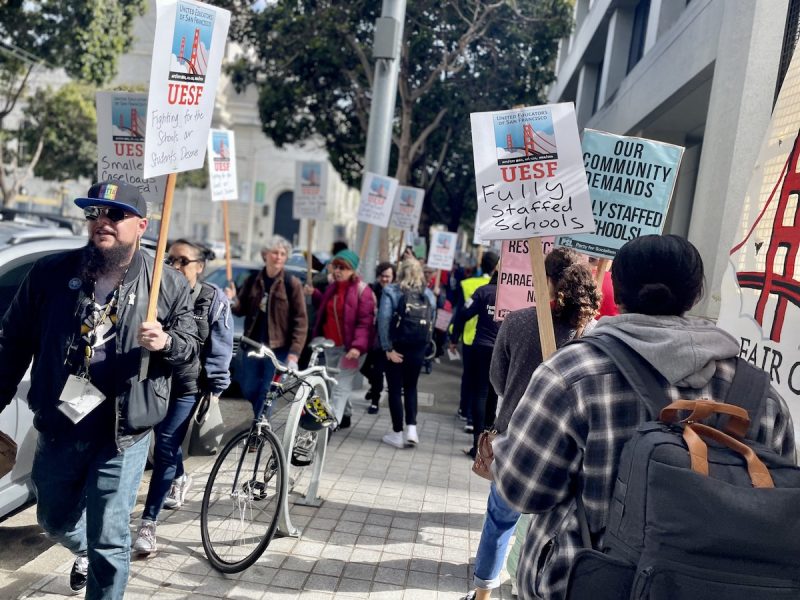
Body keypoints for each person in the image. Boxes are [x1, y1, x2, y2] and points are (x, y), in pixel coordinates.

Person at [492, 235, 796, 600]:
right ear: (697, 294)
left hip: (586, 584)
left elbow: (522, 492)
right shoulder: (763, 398)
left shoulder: (573, 374)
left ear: (616, 293)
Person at [0, 181, 199, 598]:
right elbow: (13, 342)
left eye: (115, 214)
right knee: (52, 518)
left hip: (122, 432)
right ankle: (88, 548)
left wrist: (166, 343)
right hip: (61, 422)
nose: (102, 222)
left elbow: (191, 353)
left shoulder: (169, 285)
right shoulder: (51, 274)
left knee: (111, 537)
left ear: (142, 225)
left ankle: (104, 555)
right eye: (95, 214)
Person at [461, 249, 600, 600]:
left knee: (499, 520)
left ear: (546, 281)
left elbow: (498, 378)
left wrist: (517, 399)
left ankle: (483, 593)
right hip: (567, 441)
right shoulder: (590, 330)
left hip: (515, 433)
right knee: (551, 525)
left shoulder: (518, 321)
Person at [133, 239, 233, 555]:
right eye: (170, 260)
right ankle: (179, 476)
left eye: (182, 261)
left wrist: (216, 387)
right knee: (158, 441)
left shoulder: (212, 298)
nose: (174, 267)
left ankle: (148, 523)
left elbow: (221, 344)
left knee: (164, 444)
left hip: (187, 387)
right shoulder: (156, 291)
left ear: (199, 266)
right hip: (152, 382)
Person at [226, 235, 307, 420]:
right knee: (248, 387)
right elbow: (241, 310)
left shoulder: (291, 283)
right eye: (274, 253)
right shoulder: (253, 280)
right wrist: (232, 299)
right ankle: (260, 418)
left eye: (282, 254)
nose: (278, 257)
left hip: (278, 348)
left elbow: (300, 321)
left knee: (267, 390)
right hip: (252, 345)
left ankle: (259, 427)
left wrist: (294, 353)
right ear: (265, 255)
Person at [309, 249, 376, 428]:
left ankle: (329, 426)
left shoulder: (364, 292)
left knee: (339, 388)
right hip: (331, 345)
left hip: (351, 350)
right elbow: (325, 309)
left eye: (343, 268)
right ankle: (345, 415)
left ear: (353, 270)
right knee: (333, 384)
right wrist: (315, 294)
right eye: (336, 267)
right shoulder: (333, 288)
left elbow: (365, 323)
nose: (337, 271)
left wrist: (357, 346)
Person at [377, 258, 437, 448]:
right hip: (418, 348)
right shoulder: (428, 294)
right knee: (411, 387)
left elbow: (384, 320)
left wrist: (387, 348)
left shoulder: (391, 291)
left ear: (400, 272)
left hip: (397, 347)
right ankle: (412, 429)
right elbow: (431, 322)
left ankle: (397, 433)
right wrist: (425, 346)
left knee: (395, 389)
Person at [449, 253, 501, 457]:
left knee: (479, 393)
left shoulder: (483, 291)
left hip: (480, 347)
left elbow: (463, 313)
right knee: (494, 396)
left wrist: (454, 337)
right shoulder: (512, 297)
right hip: (501, 351)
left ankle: (477, 446)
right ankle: (489, 445)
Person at [361, 261, 395, 414]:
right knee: (363, 367)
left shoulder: (396, 292)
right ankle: (376, 386)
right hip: (369, 335)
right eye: (383, 276)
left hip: (385, 339)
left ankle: (375, 400)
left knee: (378, 371)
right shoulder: (371, 289)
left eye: (388, 276)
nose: (385, 279)